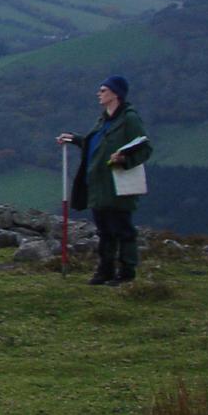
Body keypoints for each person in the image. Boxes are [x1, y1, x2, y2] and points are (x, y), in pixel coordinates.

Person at [57, 75, 153, 285]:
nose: (98, 94)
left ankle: (126, 273)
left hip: (117, 184)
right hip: (98, 185)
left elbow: (145, 149)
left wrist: (125, 159)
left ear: (115, 93)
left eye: (103, 90)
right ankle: (105, 270)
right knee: (104, 231)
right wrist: (73, 139)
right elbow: (94, 146)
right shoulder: (103, 120)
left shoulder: (129, 119)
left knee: (122, 229)